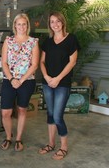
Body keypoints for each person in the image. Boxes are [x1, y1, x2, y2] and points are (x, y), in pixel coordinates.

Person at [38, 11, 80, 160]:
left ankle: (63, 147)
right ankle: (51, 144)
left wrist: (57, 78)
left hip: (62, 83)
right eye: (52, 22)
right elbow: (41, 62)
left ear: (62, 22)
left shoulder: (71, 39)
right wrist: (47, 77)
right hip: (48, 82)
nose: (55, 24)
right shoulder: (47, 41)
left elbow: (72, 62)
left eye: (57, 21)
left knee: (57, 116)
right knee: (50, 114)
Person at [0, 13, 39, 151]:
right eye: (19, 24)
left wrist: (21, 80)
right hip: (9, 81)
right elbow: (3, 62)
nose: (21, 27)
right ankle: (8, 137)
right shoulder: (8, 41)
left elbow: (34, 65)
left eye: (24, 24)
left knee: (22, 109)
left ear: (27, 26)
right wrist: (12, 79)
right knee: (6, 112)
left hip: (26, 81)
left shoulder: (33, 42)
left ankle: (18, 138)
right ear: (15, 25)